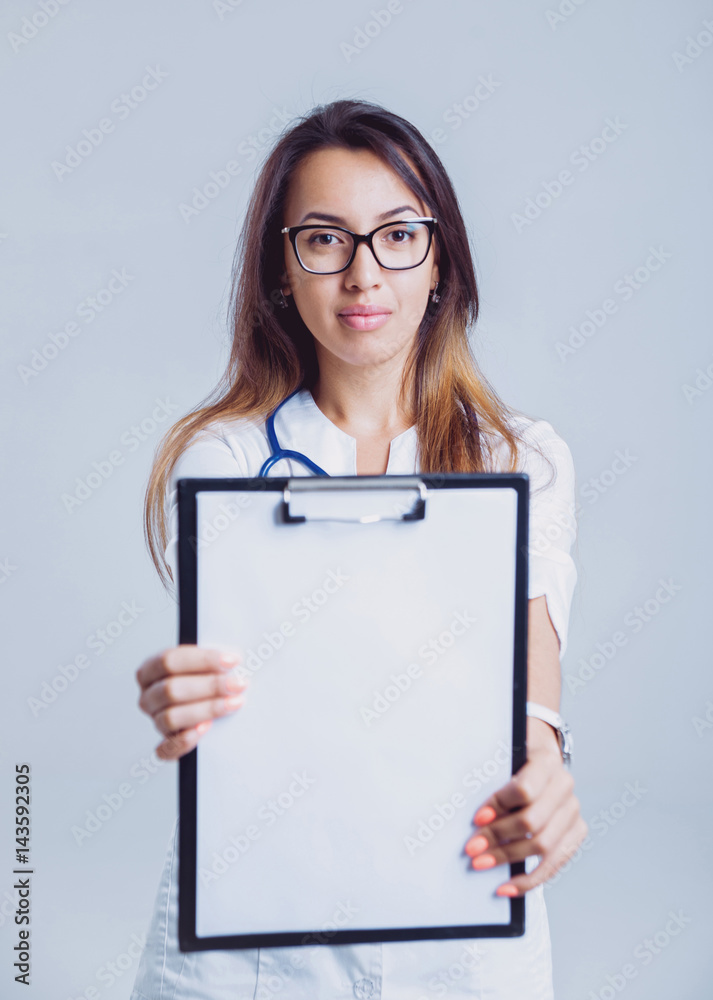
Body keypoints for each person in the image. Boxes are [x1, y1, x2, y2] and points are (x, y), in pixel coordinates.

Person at [131, 98, 586, 1000]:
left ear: (440, 259)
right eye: (324, 240)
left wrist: (545, 772)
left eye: (398, 235)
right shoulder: (222, 461)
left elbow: (531, 707)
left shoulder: (521, 460)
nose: (362, 274)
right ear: (282, 269)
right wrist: (183, 697)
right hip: (253, 938)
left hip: (462, 925)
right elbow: (233, 688)